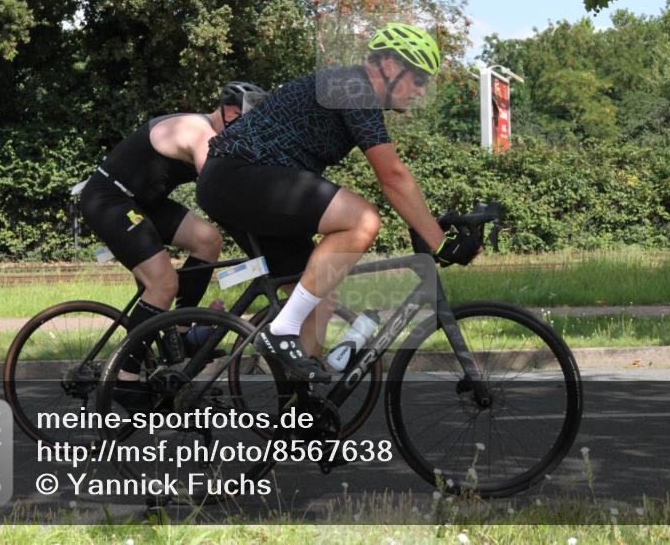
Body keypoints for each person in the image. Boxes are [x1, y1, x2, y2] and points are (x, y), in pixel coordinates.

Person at [197, 23, 482, 383]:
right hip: (238, 176)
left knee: (318, 300)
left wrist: (427, 229)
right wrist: (440, 244)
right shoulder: (353, 86)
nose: (422, 89)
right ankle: (281, 329)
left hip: (245, 182)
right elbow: (392, 176)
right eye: (420, 77)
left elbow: (397, 182)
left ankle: (301, 418)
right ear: (392, 68)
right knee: (362, 220)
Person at [79, 82, 265, 383]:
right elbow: (221, 194)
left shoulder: (217, 134)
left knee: (207, 240)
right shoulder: (200, 134)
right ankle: (124, 378)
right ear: (231, 114)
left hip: (142, 203)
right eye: (252, 127)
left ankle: (179, 335)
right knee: (164, 283)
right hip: (109, 200)